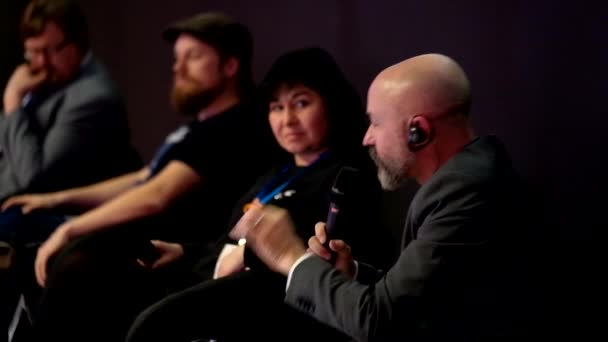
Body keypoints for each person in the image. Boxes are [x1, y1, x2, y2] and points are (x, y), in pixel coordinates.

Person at [3, 11, 278, 342]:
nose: (178, 68)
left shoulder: (232, 126)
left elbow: (156, 194)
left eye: (193, 57)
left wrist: (69, 227)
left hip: (170, 252)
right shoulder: (198, 126)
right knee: (23, 220)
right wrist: (54, 199)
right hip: (146, 241)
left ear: (230, 66)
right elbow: (144, 177)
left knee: (60, 250)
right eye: (177, 58)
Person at [231, 53, 541, 341]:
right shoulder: (465, 179)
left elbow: (380, 320)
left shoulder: (466, 191)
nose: (367, 137)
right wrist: (351, 273)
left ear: (417, 131)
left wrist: (290, 257)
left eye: (376, 123)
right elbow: (418, 299)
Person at [125, 47, 397, 342]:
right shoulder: (273, 174)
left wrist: (255, 252)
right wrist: (184, 253)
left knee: (155, 325)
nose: (287, 119)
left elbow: (318, 255)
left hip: (276, 308)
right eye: (276, 107)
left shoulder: (348, 176)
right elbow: (232, 244)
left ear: (331, 104)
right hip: (222, 292)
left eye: (301, 103)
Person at [0, 0, 141, 338]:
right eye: (32, 52)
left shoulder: (92, 96)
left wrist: (11, 102)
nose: (40, 64)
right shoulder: (46, 85)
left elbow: (31, 176)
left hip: (69, 215)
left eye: (50, 50)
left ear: (78, 43)